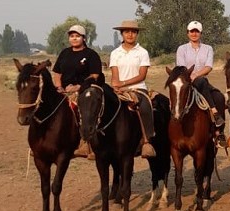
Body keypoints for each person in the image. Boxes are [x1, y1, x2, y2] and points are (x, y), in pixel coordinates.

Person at [52, 24, 102, 158]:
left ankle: (85, 142)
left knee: (83, 109)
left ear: (84, 38)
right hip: (64, 90)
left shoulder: (91, 55)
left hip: (84, 89)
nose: (74, 39)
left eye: (77, 36)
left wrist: (78, 87)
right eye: (72, 36)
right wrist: (59, 87)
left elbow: (95, 75)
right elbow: (57, 73)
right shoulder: (64, 53)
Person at [175, 20, 228, 148]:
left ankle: (219, 132)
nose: (194, 34)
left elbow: (208, 67)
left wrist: (195, 75)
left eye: (196, 31)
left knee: (219, 97)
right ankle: (214, 112)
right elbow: (181, 67)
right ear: (187, 33)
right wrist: (189, 76)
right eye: (191, 31)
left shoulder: (208, 48)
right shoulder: (182, 49)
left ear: (201, 33)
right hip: (185, 82)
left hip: (201, 81)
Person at [109, 19, 156, 158]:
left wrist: (122, 84)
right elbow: (114, 75)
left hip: (137, 88)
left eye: (133, 32)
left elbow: (142, 76)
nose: (130, 35)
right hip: (119, 89)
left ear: (137, 34)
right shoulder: (115, 53)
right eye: (126, 32)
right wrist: (116, 86)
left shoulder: (142, 52)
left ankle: (146, 140)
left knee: (145, 106)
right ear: (122, 34)